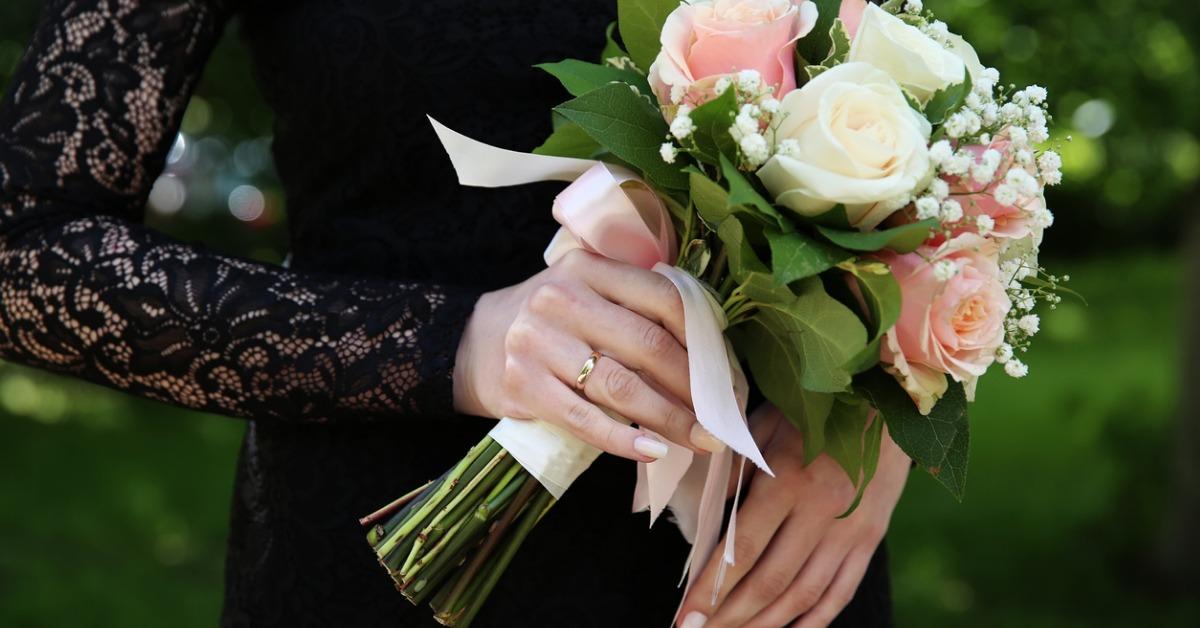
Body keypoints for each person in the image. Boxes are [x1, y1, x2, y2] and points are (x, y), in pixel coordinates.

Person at [0, 1, 909, 626]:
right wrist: (463, 344)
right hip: (388, 544)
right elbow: (25, 253)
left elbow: (922, 112)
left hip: (767, 547)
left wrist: (891, 403)